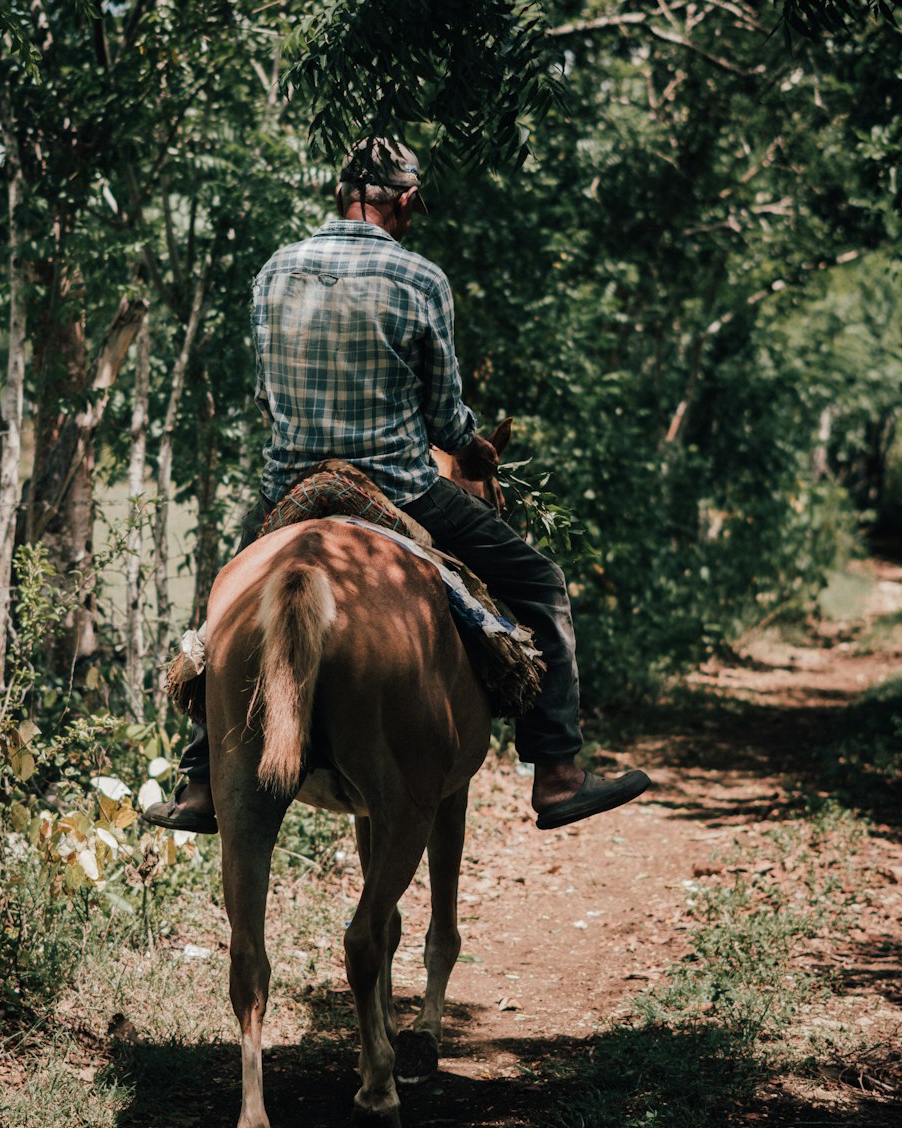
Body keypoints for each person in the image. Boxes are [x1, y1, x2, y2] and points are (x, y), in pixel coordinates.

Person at [143, 137, 649, 835]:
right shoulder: (418, 278)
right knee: (540, 582)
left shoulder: (273, 271)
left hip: (292, 488)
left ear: (339, 191)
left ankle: (201, 779)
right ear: (405, 201)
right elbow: (445, 417)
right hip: (399, 490)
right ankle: (558, 772)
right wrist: (473, 449)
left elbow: (266, 395)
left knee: (224, 607)